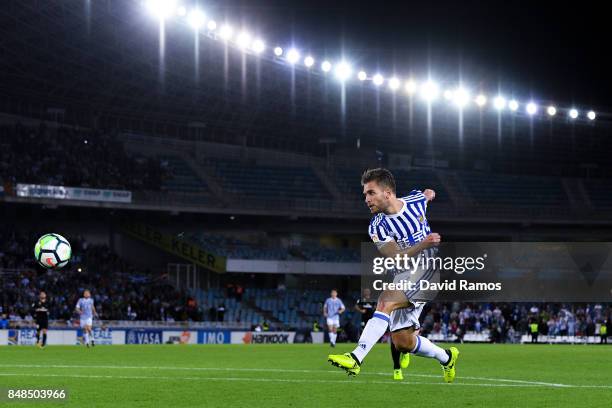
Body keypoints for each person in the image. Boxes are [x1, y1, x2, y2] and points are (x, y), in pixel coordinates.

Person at [328, 168, 459, 383]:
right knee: (402, 342)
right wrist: (423, 243)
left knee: (385, 301)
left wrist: (429, 193)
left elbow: (425, 196)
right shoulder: (377, 226)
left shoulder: (415, 201)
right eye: (365, 194)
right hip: (404, 273)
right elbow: (397, 257)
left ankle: (355, 357)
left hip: (429, 270)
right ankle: (446, 357)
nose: (366, 199)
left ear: (387, 193)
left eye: (371, 193)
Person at [355, 288, 409, 380]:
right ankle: (397, 368)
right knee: (394, 339)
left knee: (404, 341)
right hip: (389, 315)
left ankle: (405, 351)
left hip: (405, 313)